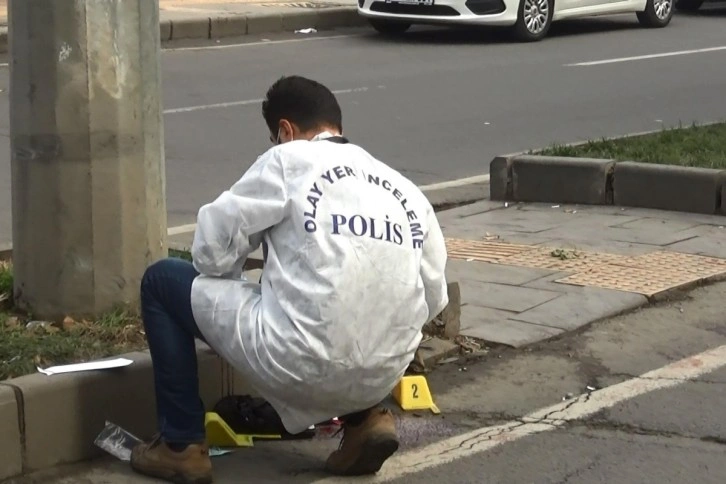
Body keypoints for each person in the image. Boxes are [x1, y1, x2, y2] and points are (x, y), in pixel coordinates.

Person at [130, 75, 449, 484]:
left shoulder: (288, 160)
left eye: (274, 138)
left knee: (161, 281)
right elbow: (434, 297)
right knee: (354, 301)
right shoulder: (403, 189)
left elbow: (210, 252)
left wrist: (239, 280)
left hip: (298, 362)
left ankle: (180, 446)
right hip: (382, 373)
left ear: (285, 130)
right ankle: (366, 421)